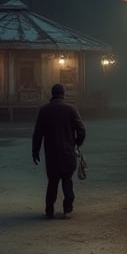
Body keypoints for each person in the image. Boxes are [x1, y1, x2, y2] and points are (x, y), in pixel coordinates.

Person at [32, 83, 86, 218]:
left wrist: (35, 151)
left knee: (53, 182)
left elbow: (38, 133)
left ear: (52, 93)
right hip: (68, 152)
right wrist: (76, 142)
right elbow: (82, 130)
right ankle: (67, 209)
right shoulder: (71, 109)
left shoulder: (44, 110)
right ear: (63, 94)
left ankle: (49, 210)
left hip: (52, 153)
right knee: (67, 180)